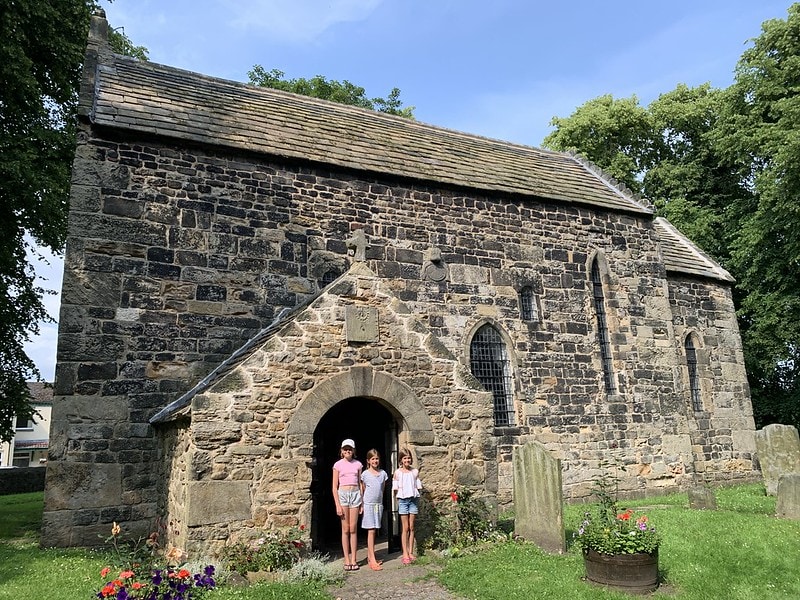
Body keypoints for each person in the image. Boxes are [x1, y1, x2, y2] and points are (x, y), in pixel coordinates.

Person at [333, 438, 363, 571]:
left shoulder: (358, 464)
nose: (347, 451)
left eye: (350, 449)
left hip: (355, 494)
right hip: (343, 495)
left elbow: (361, 484)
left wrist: (361, 502)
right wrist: (337, 505)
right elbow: (334, 486)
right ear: (341, 451)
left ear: (353, 450)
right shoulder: (338, 465)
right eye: (345, 449)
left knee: (353, 528)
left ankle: (354, 559)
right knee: (345, 529)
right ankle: (346, 558)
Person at [392, 447, 422, 565]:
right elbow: (395, 489)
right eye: (405, 458)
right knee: (405, 528)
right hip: (403, 501)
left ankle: (411, 552)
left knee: (411, 527)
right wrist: (398, 499)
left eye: (409, 458)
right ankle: (404, 553)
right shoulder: (398, 473)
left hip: (413, 500)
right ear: (401, 460)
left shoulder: (414, 472)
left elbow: (418, 486)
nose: (407, 460)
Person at [360, 448, 388, 571]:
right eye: (373, 459)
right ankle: (372, 559)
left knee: (375, 530)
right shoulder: (365, 474)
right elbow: (363, 489)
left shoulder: (383, 474)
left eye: (376, 458)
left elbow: (382, 489)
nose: (375, 461)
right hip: (369, 504)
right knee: (370, 531)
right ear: (368, 461)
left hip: (378, 504)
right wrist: (362, 504)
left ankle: (371, 555)